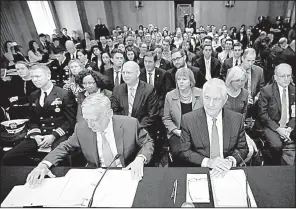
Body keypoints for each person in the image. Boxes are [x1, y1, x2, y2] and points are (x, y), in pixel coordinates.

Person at [26, 94, 154, 185]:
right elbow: (64, 146)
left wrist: (140, 159)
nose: (89, 125)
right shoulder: (81, 128)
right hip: (96, 174)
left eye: (94, 119)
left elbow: (147, 142)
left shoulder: (130, 124)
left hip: (126, 172)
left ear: (109, 114)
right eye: (86, 119)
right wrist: (44, 164)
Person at [2, 64, 77, 166]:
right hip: (39, 134)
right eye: (32, 77)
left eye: (38, 76)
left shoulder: (64, 94)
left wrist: (53, 136)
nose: (35, 80)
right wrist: (35, 135)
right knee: (8, 158)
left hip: (58, 134)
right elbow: (32, 120)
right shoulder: (33, 95)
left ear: (48, 76)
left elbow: (70, 121)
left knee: (59, 161)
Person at [179, 78, 248, 175]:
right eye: (207, 98)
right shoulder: (188, 120)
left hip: (227, 171)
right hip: (201, 171)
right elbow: (184, 151)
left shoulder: (236, 119)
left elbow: (243, 149)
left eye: (216, 99)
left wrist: (230, 161)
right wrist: (208, 162)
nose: (210, 104)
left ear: (225, 100)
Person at [255, 63, 295, 165]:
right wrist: (278, 129)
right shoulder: (266, 91)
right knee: (276, 145)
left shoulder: (293, 91)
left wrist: (289, 128)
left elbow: (295, 114)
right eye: (283, 76)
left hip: (289, 125)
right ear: (275, 77)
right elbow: (262, 114)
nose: (286, 79)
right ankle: (275, 166)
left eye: (289, 76)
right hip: (270, 125)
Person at [162, 67, 203, 166]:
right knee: (179, 153)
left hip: (198, 132)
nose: (181, 82)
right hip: (178, 133)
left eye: (184, 79)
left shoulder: (201, 94)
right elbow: (166, 118)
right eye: (179, 79)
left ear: (191, 81)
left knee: (199, 151)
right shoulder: (170, 96)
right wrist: (176, 131)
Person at [111, 61, 159, 139]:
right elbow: (114, 111)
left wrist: (135, 128)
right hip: (122, 129)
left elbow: (151, 115)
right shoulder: (117, 89)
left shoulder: (149, 90)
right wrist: (124, 127)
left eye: (129, 73)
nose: (125, 76)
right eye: (123, 72)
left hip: (142, 130)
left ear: (137, 73)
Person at [224, 66, 257, 163]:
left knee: (250, 150)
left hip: (239, 129)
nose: (240, 83)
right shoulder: (222, 92)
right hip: (224, 127)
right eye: (237, 80)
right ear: (231, 80)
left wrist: (246, 136)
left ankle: (236, 166)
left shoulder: (245, 94)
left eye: (243, 81)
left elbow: (243, 115)